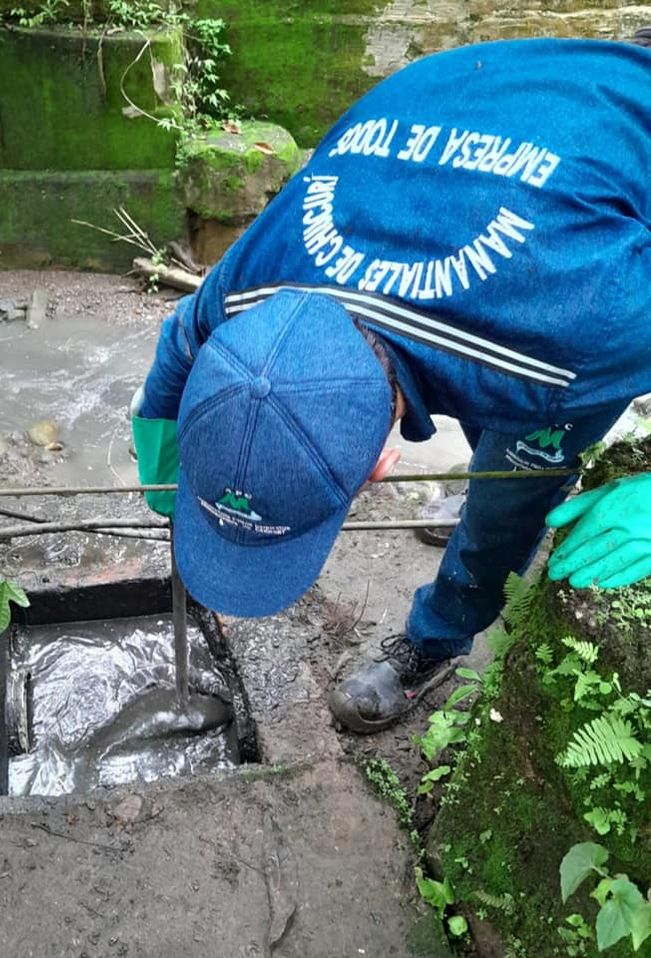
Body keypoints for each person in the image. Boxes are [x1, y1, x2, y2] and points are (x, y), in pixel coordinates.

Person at [130, 32, 651, 734]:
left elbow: (524, 346)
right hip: (490, 94)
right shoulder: (253, 277)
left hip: (587, 132)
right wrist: (167, 460)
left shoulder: (577, 331)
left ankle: (439, 636)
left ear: (382, 464)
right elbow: (181, 340)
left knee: (513, 487)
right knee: (492, 398)